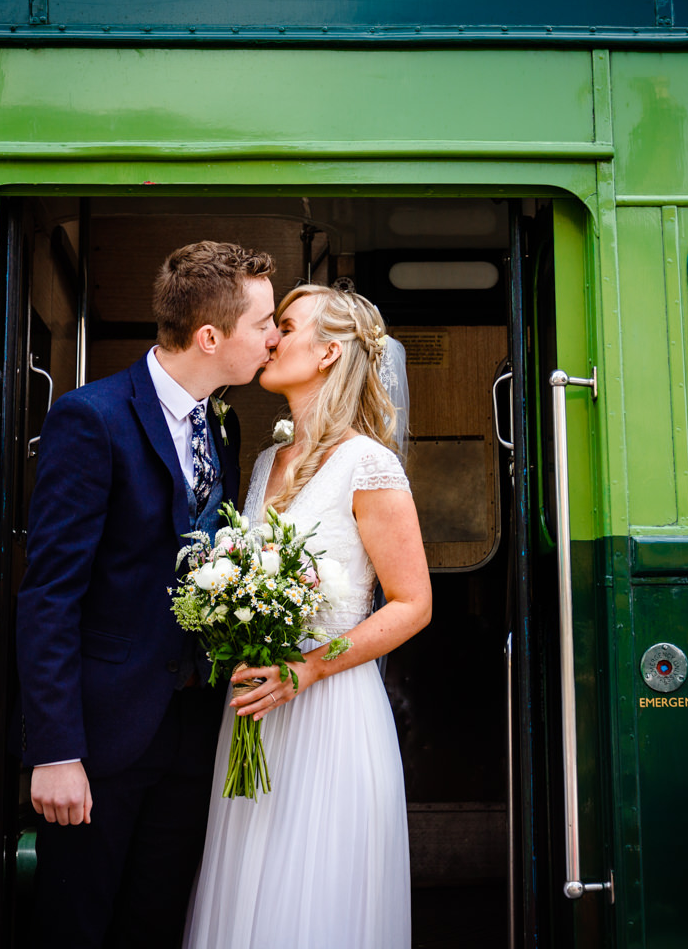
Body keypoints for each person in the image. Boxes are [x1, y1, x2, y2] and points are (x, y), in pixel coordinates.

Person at [16, 241, 280, 948]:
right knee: (76, 927)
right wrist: (56, 751)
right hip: (101, 739)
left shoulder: (222, 424)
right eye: (264, 324)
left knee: (157, 924)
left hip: (193, 732)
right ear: (210, 337)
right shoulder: (90, 418)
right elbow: (49, 595)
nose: (275, 337)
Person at [183, 285, 432, 949]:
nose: (270, 338)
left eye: (284, 327)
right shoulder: (265, 462)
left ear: (328, 352)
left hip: (332, 711)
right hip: (258, 712)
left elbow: (413, 604)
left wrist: (307, 669)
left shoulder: (369, 465)